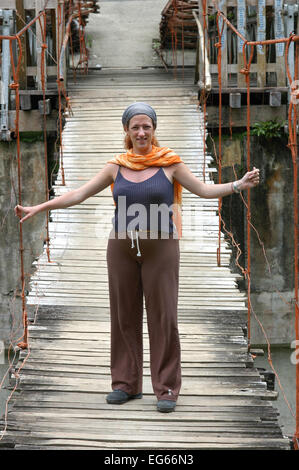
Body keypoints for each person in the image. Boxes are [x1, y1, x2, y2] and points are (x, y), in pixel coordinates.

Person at [14, 102, 260, 413]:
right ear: (127, 132)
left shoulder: (170, 164)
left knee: (164, 318)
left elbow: (204, 190)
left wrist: (239, 184)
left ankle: (167, 389)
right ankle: (125, 384)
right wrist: (41, 207)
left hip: (162, 248)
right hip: (121, 249)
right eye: (135, 127)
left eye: (147, 126)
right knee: (123, 316)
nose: (141, 132)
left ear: (154, 130)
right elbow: (79, 194)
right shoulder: (116, 166)